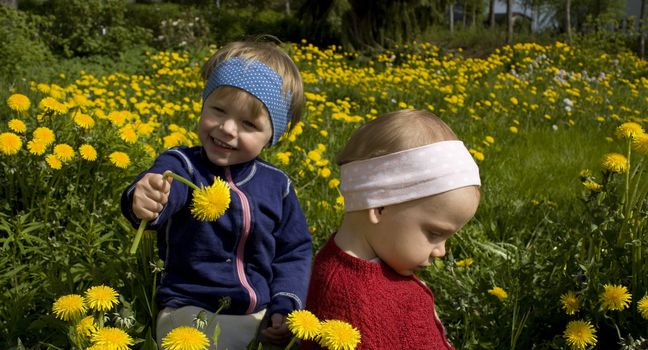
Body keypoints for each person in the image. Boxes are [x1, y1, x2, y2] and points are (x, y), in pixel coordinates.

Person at [120, 40, 312, 349]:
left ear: (272, 136)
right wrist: (147, 196)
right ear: (203, 104)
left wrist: (285, 305)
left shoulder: (278, 186)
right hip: (190, 310)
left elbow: (294, 251)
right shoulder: (183, 164)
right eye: (218, 110)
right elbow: (164, 186)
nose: (227, 128)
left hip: (259, 313)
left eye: (248, 124)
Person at [302, 109, 481, 350]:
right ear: (379, 207)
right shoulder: (351, 301)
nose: (441, 251)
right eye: (434, 234)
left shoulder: (380, 260)